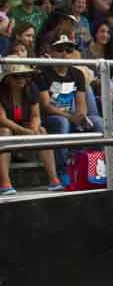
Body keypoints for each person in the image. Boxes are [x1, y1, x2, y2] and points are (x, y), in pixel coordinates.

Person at [34, 35, 104, 184]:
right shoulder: (42, 74)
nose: (65, 53)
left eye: (69, 50)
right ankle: (62, 170)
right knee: (62, 122)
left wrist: (81, 116)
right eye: (60, 49)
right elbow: (46, 106)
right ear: (51, 52)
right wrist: (70, 117)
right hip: (50, 119)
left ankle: (94, 167)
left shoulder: (77, 73)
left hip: (70, 116)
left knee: (98, 122)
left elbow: (81, 101)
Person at [0, 64, 63, 194]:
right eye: (17, 76)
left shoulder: (31, 87)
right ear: (7, 78)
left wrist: (34, 128)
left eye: (25, 75)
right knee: (4, 131)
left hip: (23, 126)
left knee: (41, 130)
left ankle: (54, 180)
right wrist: (25, 132)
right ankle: (5, 183)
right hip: (5, 128)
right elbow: (2, 120)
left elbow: (35, 115)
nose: (22, 79)